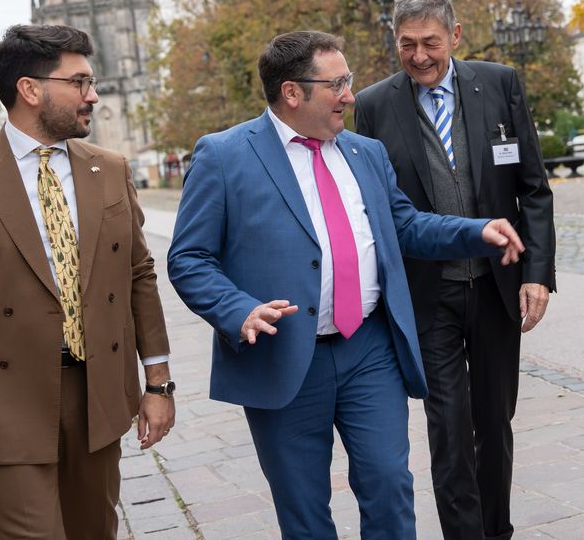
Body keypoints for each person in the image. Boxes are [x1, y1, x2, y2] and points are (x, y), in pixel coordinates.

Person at [167, 30, 526, 540]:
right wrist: (237, 309)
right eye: (336, 84)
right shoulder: (224, 156)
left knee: (389, 485)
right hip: (284, 354)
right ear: (293, 92)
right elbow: (189, 258)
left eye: (349, 81)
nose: (350, 96)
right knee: (305, 508)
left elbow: (403, 226)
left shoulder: (365, 153)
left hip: (369, 351)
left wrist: (475, 231)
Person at [0, 24, 175, 539]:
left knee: (95, 530)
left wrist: (159, 383)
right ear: (30, 90)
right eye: (79, 82)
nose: (93, 95)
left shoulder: (109, 169)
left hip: (99, 393)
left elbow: (138, 275)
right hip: (4, 398)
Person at [354, 0, 555, 540]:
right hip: (428, 294)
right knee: (448, 429)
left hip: (496, 288)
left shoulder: (499, 84)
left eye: (430, 43)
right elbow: (380, 211)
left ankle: (497, 530)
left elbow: (533, 189)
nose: (419, 56)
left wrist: (537, 274)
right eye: (406, 44)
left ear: (456, 35)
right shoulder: (372, 106)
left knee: (495, 421)